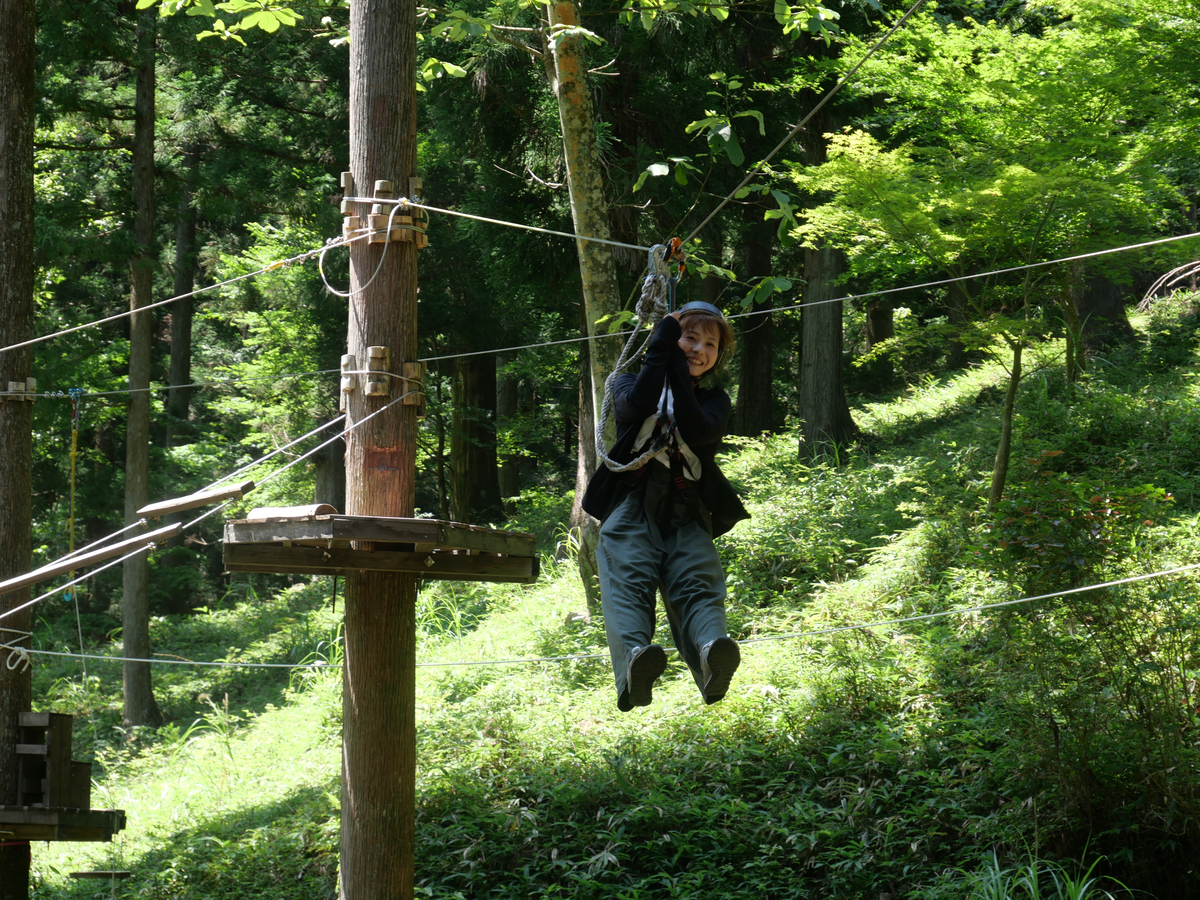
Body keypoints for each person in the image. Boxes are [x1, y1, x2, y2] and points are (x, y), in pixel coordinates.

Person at [582, 301, 750, 711]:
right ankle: (636, 663)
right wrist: (662, 349)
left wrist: (676, 368)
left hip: (688, 510)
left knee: (699, 582)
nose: (700, 349)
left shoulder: (716, 402)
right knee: (627, 580)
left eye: (710, 343)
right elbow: (634, 406)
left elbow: (696, 428)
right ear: (668, 341)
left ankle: (712, 653)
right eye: (690, 338)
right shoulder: (625, 383)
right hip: (632, 504)